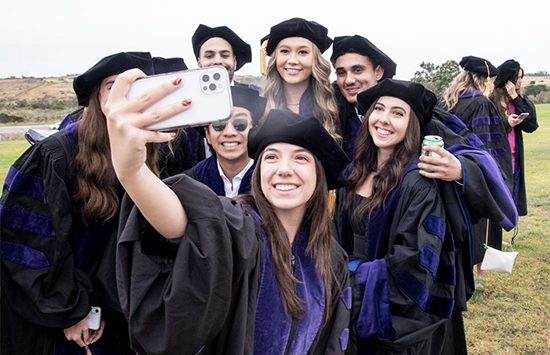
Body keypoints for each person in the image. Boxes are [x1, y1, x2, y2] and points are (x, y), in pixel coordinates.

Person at [105, 68, 352, 355]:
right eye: (271, 157)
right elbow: (188, 220)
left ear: (319, 177)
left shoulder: (331, 259)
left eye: (301, 158)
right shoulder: (238, 228)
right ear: (259, 172)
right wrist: (133, 173)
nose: (284, 169)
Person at [330, 36, 517, 309]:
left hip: (403, 282)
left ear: (378, 72)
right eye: (341, 72)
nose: (349, 80)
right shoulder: (336, 112)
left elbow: (479, 155)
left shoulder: (424, 116)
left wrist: (460, 169)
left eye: (358, 70)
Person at [0, 52, 155, 355]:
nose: (127, 93)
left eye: (138, 86)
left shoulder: (151, 154)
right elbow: (22, 240)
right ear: (96, 98)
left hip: (118, 312)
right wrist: (72, 310)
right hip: (58, 319)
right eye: (113, 85)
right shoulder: (55, 155)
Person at [332, 79, 466, 354]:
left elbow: (417, 261)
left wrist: (352, 283)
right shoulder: (353, 172)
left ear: (411, 125)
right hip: (350, 305)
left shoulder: (418, 182)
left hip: (391, 317)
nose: (384, 119)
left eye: (397, 113)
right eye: (379, 109)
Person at [438, 55, 514, 301]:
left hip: (443, 174)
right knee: (477, 224)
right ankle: (475, 277)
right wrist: (498, 177)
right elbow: (487, 147)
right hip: (469, 175)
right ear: (483, 79)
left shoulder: (444, 100)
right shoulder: (481, 103)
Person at [260, 17, 341, 143]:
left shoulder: (336, 107)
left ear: (315, 60)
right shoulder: (259, 106)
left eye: (302, 52)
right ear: (275, 58)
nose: (292, 60)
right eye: (285, 51)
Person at [184, 86, 267, 197]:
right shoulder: (190, 182)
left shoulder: (270, 178)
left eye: (240, 123)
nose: (229, 132)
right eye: (219, 125)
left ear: (254, 131)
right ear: (207, 135)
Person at [490, 59, 539, 217]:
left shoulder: (520, 100)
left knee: (511, 196)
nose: (520, 82)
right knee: (497, 197)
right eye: (518, 78)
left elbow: (531, 125)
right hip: (497, 156)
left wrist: (515, 97)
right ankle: (495, 237)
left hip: (514, 157)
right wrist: (506, 123)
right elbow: (486, 128)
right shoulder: (491, 101)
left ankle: (505, 234)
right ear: (509, 80)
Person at [192, 23, 259, 89]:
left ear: (235, 62)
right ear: (199, 64)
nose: (217, 61)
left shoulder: (257, 95)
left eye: (225, 55)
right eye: (209, 56)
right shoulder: (188, 96)